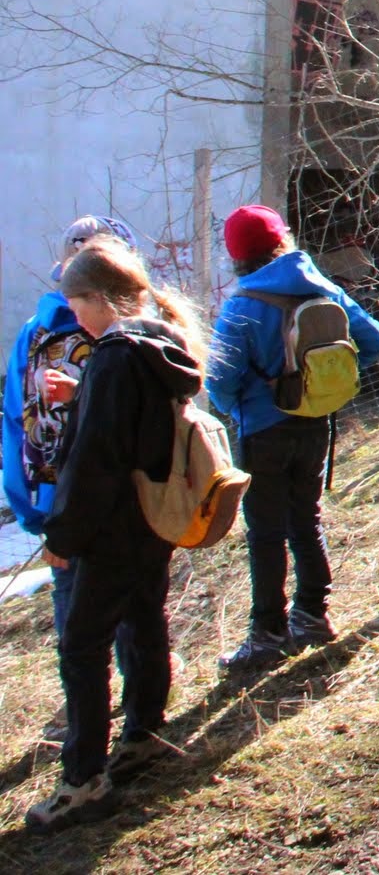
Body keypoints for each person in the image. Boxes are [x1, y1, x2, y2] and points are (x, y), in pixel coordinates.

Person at [27, 236, 205, 830]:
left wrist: (62, 537)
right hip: (152, 518)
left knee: (81, 646)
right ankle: (144, 734)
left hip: (110, 528)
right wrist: (85, 394)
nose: (75, 316)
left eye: (76, 304)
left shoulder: (113, 357)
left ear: (101, 298)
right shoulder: (158, 343)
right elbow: (133, 425)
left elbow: (96, 461)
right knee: (144, 620)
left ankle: (83, 781)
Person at [206, 205, 379, 672]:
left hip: (262, 431)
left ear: (236, 256)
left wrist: (238, 408)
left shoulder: (242, 306)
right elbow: (375, 341)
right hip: (316, 422)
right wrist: (327, 380)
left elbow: (220, 381)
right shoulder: (323, 287)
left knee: (266, 532)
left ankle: (267, 634)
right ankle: (313, 615)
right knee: (306, 519)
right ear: (281, 243)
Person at [3, 217, 141, 724]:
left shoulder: (35, 332)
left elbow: (16, 423)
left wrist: (30, 505)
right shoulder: (143, 327)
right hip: (129, 496)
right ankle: (139, 699)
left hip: (60, 498)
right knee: (134, 597)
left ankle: (81, 706)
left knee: (74, 602)